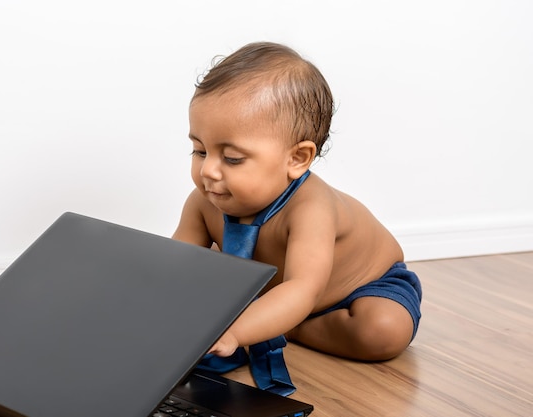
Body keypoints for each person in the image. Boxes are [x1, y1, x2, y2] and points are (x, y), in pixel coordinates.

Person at [173, 41, 422, 363]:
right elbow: (175, 266)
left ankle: (290, 327)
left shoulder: (311, 208)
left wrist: (234, 332)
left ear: (297, 158)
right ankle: (266, 314)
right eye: (200, 150)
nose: (208, 170)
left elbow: (303, 288)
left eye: (232, 158)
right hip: (270, 287)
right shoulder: (203, 201)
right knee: (199, 284)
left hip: (354, 290)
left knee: (382, 331)